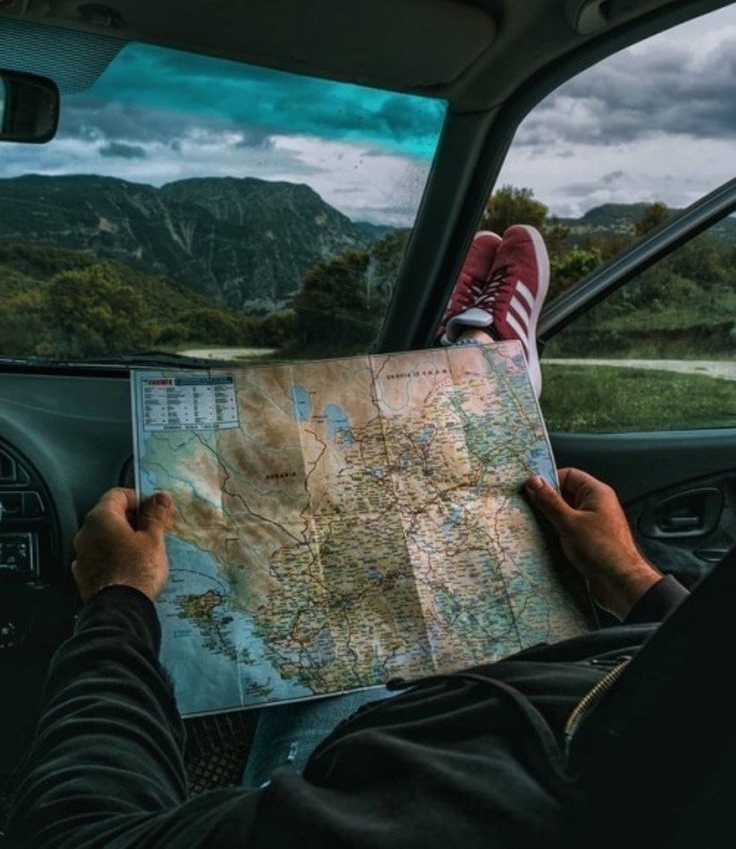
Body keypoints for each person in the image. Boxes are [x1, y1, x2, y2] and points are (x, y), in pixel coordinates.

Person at [6, 226, 727, 848]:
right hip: (588, 696)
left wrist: (116, 601)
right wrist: (635, 583)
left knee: (301, 639)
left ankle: (470, 377)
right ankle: (482, 386)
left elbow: (77, 832)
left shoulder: (444, 818)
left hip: (405, 741)